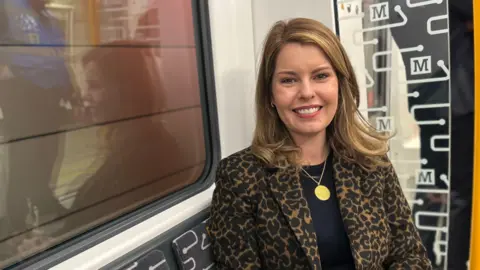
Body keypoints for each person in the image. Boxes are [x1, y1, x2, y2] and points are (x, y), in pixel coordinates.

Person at [206, 18, 432, 269]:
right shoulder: (239, 176)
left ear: (339, 84)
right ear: (270, 94)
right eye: (289, 80)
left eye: (321, 76)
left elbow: (412, 256)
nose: (306, 92)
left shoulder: (371, 162)